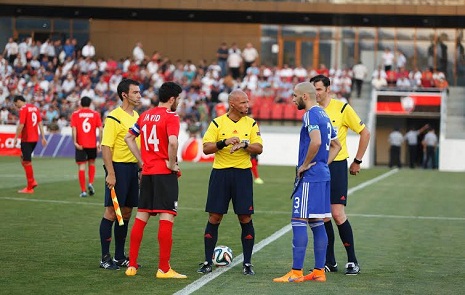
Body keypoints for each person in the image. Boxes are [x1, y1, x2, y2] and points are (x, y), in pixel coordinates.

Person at [273, 82, 341, 283]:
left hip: (310, 177)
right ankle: (319, 272)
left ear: (305, 96)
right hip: (323, 174)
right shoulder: (325, 115)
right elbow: (336, 145)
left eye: (295, 96)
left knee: (299, 220)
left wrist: (305, 165)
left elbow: (317, 141)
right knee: (317, 222)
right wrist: (321, 163)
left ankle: (296, 272)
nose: (292, 99)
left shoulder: (310, 114)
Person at [124, 82, 187, 279]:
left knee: (141, 217)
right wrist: (170, 164)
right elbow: (173, 141)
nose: (179, 102)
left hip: (148, 173)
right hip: (163, 174)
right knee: (166, 217)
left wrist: (142, 162)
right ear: (172, 99)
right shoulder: (171, 116)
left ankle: (131, 266)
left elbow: (128, 138)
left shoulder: (145, 115)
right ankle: (164, 269)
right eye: (179, 99)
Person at [197, 89, 263, 276]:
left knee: (245, 218)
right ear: (232, 104)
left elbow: (259, 148)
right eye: (243, 103)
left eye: (247, 102)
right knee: (214, 217)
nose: (247, 105)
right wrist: (223, 142)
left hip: (242, 175)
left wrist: (244, 144)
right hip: (220, 174)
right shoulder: (217, 123)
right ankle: (207, 261)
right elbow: (206, 148)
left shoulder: (251, 123)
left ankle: (248, 263)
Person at [309, 74, 370, 275]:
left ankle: (352, 261)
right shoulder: (312, 111)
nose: (315, 93)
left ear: (328, 89)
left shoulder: (342, 108)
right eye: (313, 89)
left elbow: (365, 132)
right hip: (317, 167)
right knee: (323, 217)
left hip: (335, 166)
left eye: (318, 89)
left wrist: (358, 160)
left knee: (336, 213)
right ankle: (330, 262)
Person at [99, 79, 141, 270]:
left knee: (126, 212)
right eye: (135, 93)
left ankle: (119, 256)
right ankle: (105, 258)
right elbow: (106, 146)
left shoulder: (137, 116)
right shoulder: (113, 117)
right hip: (118, 168)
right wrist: (111, 173)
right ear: (125, 95)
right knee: (111, 212)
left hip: (132, 169)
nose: (139, 96)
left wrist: (140, 169)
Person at [13, 95, 48, 193]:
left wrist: (15, 137)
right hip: (35, 138)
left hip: (27, 138)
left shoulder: (23, 109)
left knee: (27, 161)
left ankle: (30, 186)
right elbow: (40, 123)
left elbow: (21, 125)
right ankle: (32, 181)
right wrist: (43, 137)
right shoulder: (35, 108)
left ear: (19, 101)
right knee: (23, 158)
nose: (17, 107)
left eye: (16, 104)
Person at [70, 96, 103, 198]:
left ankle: (83, 191)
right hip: (92, 144)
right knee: (92, 163)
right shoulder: (95, 114)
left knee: (82, 167)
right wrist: (100, 142)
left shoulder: (75, 114)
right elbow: (101, 129)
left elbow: (74, 129)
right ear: (90, 104)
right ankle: (91, 183)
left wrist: (75, 142)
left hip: (81, 144)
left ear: (81, 104)